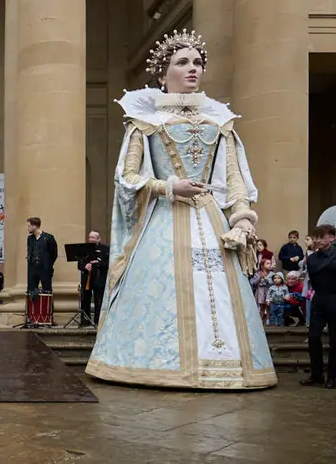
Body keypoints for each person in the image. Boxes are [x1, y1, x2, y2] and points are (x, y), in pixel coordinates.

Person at [87, 29, 275, 390]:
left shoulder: (219, 121)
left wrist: (243, 219)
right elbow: (127, 178)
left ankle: (228, 368)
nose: (193, 69)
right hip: (164, 218)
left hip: (210, 218)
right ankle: (159, 365)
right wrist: (170, 186)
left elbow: (234, 178)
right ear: (163, 74)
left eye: (198, 63)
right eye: (182, 62)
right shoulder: (145, 121)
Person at [302, 225, 336, 389]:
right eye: (315, 237)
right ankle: (316, 374)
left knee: (335, 340)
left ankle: (332, 375)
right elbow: (314, 280)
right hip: (320, 298)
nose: (317, 241)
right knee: (313, 337)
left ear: (331, 237)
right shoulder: (312, 258)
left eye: (320, 237)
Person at [79, 231, 108, 327]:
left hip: (99, 278)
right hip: (87, 277)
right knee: (85, 299)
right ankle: (85, 320)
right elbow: (79, 264)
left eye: (93, 237)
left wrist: (98, 263)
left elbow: (109, 264)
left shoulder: (105, 249)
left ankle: (98, 321)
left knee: (98, 300)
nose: (91, 239)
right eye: (90, 237)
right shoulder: (84, 249)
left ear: (98, 239)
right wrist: (85, 266)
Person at [25, 218, 58, 299]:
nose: (27, 228)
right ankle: (32, 311)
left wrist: (48, 263)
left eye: (29, 226)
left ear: (35, 226)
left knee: (47, 290)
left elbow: (54, 253)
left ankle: (47, 310)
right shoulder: (30, 238)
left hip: (44, 268)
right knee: (31, 291)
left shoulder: (48, 237)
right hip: (33, 268)